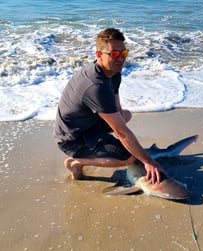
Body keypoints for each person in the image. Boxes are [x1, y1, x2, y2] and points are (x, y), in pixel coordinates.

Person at [54, 28, 167, 184]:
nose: (120, 59)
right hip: (73, 139)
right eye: (114, 54)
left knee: (126, 115)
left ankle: (103, 145)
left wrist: (123, 137)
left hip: (87, 123)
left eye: (124, 53)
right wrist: (148, 161)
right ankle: (76, 162)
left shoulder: (113, 72)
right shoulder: (96, 86)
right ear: (99, 55)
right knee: (128, 157)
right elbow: (122, 132)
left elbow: (118, 111)